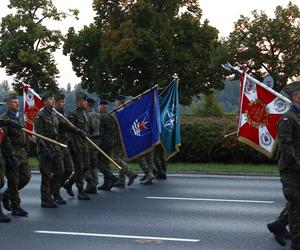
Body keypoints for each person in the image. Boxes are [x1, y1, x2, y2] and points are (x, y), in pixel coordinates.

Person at [35, 91, 84, 208]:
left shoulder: (55, 114)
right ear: (45, 101)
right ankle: (45, 200)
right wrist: (46, 149)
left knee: (60, 171)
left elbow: (64, 126)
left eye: (53, 99)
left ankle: (51, 193)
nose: (53, 101)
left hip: (56, 147)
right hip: (45, 149)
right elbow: (39, 135)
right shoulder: (40, 115)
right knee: (46, 176)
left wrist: (78, 131)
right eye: (50, 99)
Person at [277, 81, 300, 250]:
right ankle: (297, 242)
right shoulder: (288, 117)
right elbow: (286, 146)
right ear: (296, 97)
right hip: (291, 168)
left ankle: (277, 226)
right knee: (296, 204)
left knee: (296, 203)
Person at [1, 93, 31, 216]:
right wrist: (9, 155)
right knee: (13, 181)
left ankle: (6, 195)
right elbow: (4, 139)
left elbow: (24, 135)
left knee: (26, 177)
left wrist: (27, 149)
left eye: (17, 101)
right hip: (11, 152)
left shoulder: (20, 117)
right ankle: (16, 207)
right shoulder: (4, 119)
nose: (17, 103)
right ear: (8, 104)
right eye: (14, 102)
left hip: (22, 152)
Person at [63, 92, 91, 200]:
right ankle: (80, 191)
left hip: (84, 144)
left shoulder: (84, 113)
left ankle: (69, 183)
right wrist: (73, 146)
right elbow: (69, 130)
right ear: (79, 102)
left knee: (86, 167)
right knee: (79, 168)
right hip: (76, 145)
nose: (86, 103)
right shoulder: (72, 114)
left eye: (86, 101)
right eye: (84, 101)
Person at [112, 95, 137, 188]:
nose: (115, 103)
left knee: (115, 159)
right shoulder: (127, 111)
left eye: (116, 101)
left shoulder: (119, 112)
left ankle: (130, 174)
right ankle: (121, 181)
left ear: (119, 101)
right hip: (123, 138)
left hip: (118, 138)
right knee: (121, 158)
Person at [54, 93, 75, 200]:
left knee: (69, 169)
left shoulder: (62, 113)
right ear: (56, 102)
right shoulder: (54, 114)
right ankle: (54, 192)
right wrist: (76, 130)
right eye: (62, 101)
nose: (64, 103)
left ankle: (56, 188)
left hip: (65, 145)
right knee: (59, 171)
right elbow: (64, 126)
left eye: (64, 101)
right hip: (57, 145)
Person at [97, 100, 118, 191]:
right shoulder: (110, 116)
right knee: (106, 163)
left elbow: (100, 131)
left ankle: (112, 178)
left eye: (99, 106)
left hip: (103, 143)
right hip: (111, 142)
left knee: (98, 162)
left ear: (102, 106)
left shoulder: (101, 117)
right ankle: (107, 183)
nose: (98, 107)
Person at [85, 97, 100, 194]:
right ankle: (95, 182)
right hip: (96, 141)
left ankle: (91, 183)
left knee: (86, 165)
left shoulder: (87, 116)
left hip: (89, 141)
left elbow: (86, 130)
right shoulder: (96, 115)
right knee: (93, 165)